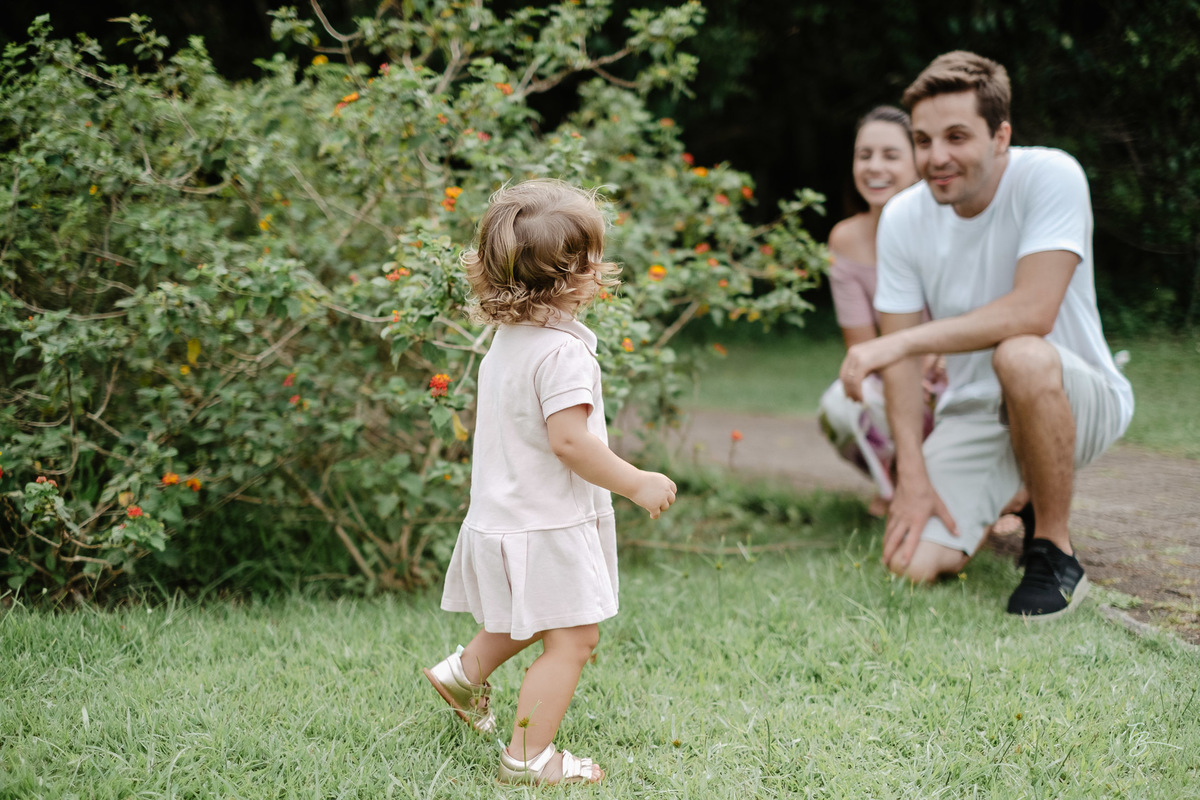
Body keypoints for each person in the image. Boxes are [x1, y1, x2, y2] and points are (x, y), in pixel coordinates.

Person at [838, 51, 1134, 618]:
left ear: (1001, 136)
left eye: (956, 137)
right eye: (923, 140)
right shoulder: (903, 216)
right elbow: (901, 369)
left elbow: (1034, 310)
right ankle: (1019, 491)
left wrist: (901, 341)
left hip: (1074, 395)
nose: (936, 157)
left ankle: (1052, 549)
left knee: (1020, 355)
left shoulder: (1051, 175)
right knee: (909, 563)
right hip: (975, 412)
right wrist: (911, 477)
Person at [423, 179, 677, 784]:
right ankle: (529, 758)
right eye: (589, 258)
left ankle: (462, 675)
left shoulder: (510, 340)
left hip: (507, 515)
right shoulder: (564, 354)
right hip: (545, 522)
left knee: (536, 614)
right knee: (574, 639)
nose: (598, 267)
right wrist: (635, 482)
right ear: (569, 276)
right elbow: (569, 442)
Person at [818, 106, 932, 517]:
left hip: (955, 369)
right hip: (896, 370)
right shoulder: (845, 240)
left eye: (890, 155)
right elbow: (863, 348)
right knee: (841, 404)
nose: (874, 167)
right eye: (864, 155)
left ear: (918, 164)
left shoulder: (947, 225)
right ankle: (899, 481)